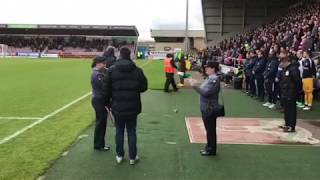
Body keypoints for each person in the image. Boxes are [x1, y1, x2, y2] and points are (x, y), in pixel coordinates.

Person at [103, 47, 148, 165]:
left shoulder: (112, 70)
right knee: (131, 131)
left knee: (119, 131)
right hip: (133, 107)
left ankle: (119, 155)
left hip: (117, 106)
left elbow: (106, 89)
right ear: (130, 55)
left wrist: (107, 103)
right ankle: (132, 157)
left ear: (119, 55)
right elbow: (144, 87)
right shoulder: (137, 70)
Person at [188, 61, 221, 156]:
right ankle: (209, 147)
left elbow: (206, 93)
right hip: (206, 107)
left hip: (209, 108)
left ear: (213, 69)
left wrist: (194, 86)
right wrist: (196, 83)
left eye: (208, 67)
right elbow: (204, 88)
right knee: (209, 129)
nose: (206, 69)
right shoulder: (210, 78)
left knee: (210, 129)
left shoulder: (213, 79)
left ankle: (211, 149)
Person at [279, 50, 302, 132]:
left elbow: (297, 80)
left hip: (291, 92)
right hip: (285, 92)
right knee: (286, 109)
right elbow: (283, 80)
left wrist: (295, 91)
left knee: (291, 110)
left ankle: (291, 126)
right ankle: (287, 123)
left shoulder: (293, 69)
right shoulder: (285, 69)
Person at [91, 56, 110, 151]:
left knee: (101, 122)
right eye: (103, 63)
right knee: (101, 123)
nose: (105, 65)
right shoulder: (97, 74)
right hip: (99, 100)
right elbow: (104, 87)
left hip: (99, 99)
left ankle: (100, 144)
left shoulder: (99, 72)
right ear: (98, 63)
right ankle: (99, 145)